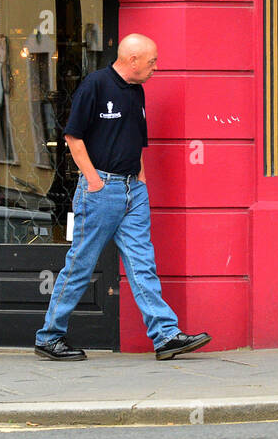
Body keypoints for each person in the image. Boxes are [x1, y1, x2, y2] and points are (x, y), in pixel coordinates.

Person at [34, 33, 210, 362]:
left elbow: (135, 140)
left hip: (133, 190)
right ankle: (49, 336)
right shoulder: (95, 85)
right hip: (101, 190)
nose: (156, 67)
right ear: (132, 61)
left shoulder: (136, 91)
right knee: (81, 265)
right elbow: (73, 136)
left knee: (142, 264)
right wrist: (94, 181)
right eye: (152, 61)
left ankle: (165, 335)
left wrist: (140, 180)